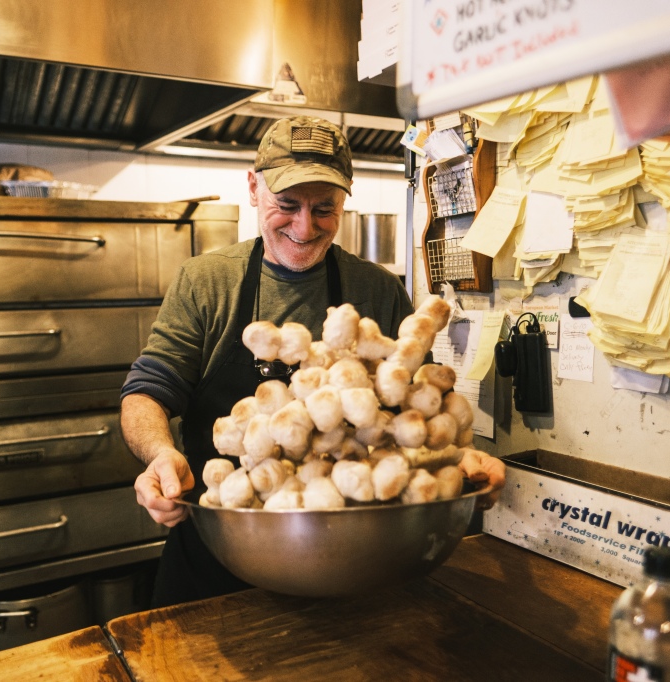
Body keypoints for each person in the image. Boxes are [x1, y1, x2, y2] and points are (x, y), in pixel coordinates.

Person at [119, 115, 504, 608]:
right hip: (223, 556)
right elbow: (148, 390)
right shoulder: (206, 282)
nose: (305, 226)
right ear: (254, 188)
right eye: (287, 205)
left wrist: (459, 458)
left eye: (324, 208)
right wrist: (160, 454)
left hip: (354, 559)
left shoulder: (379, 291)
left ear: (345, 200)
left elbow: (427, 416)